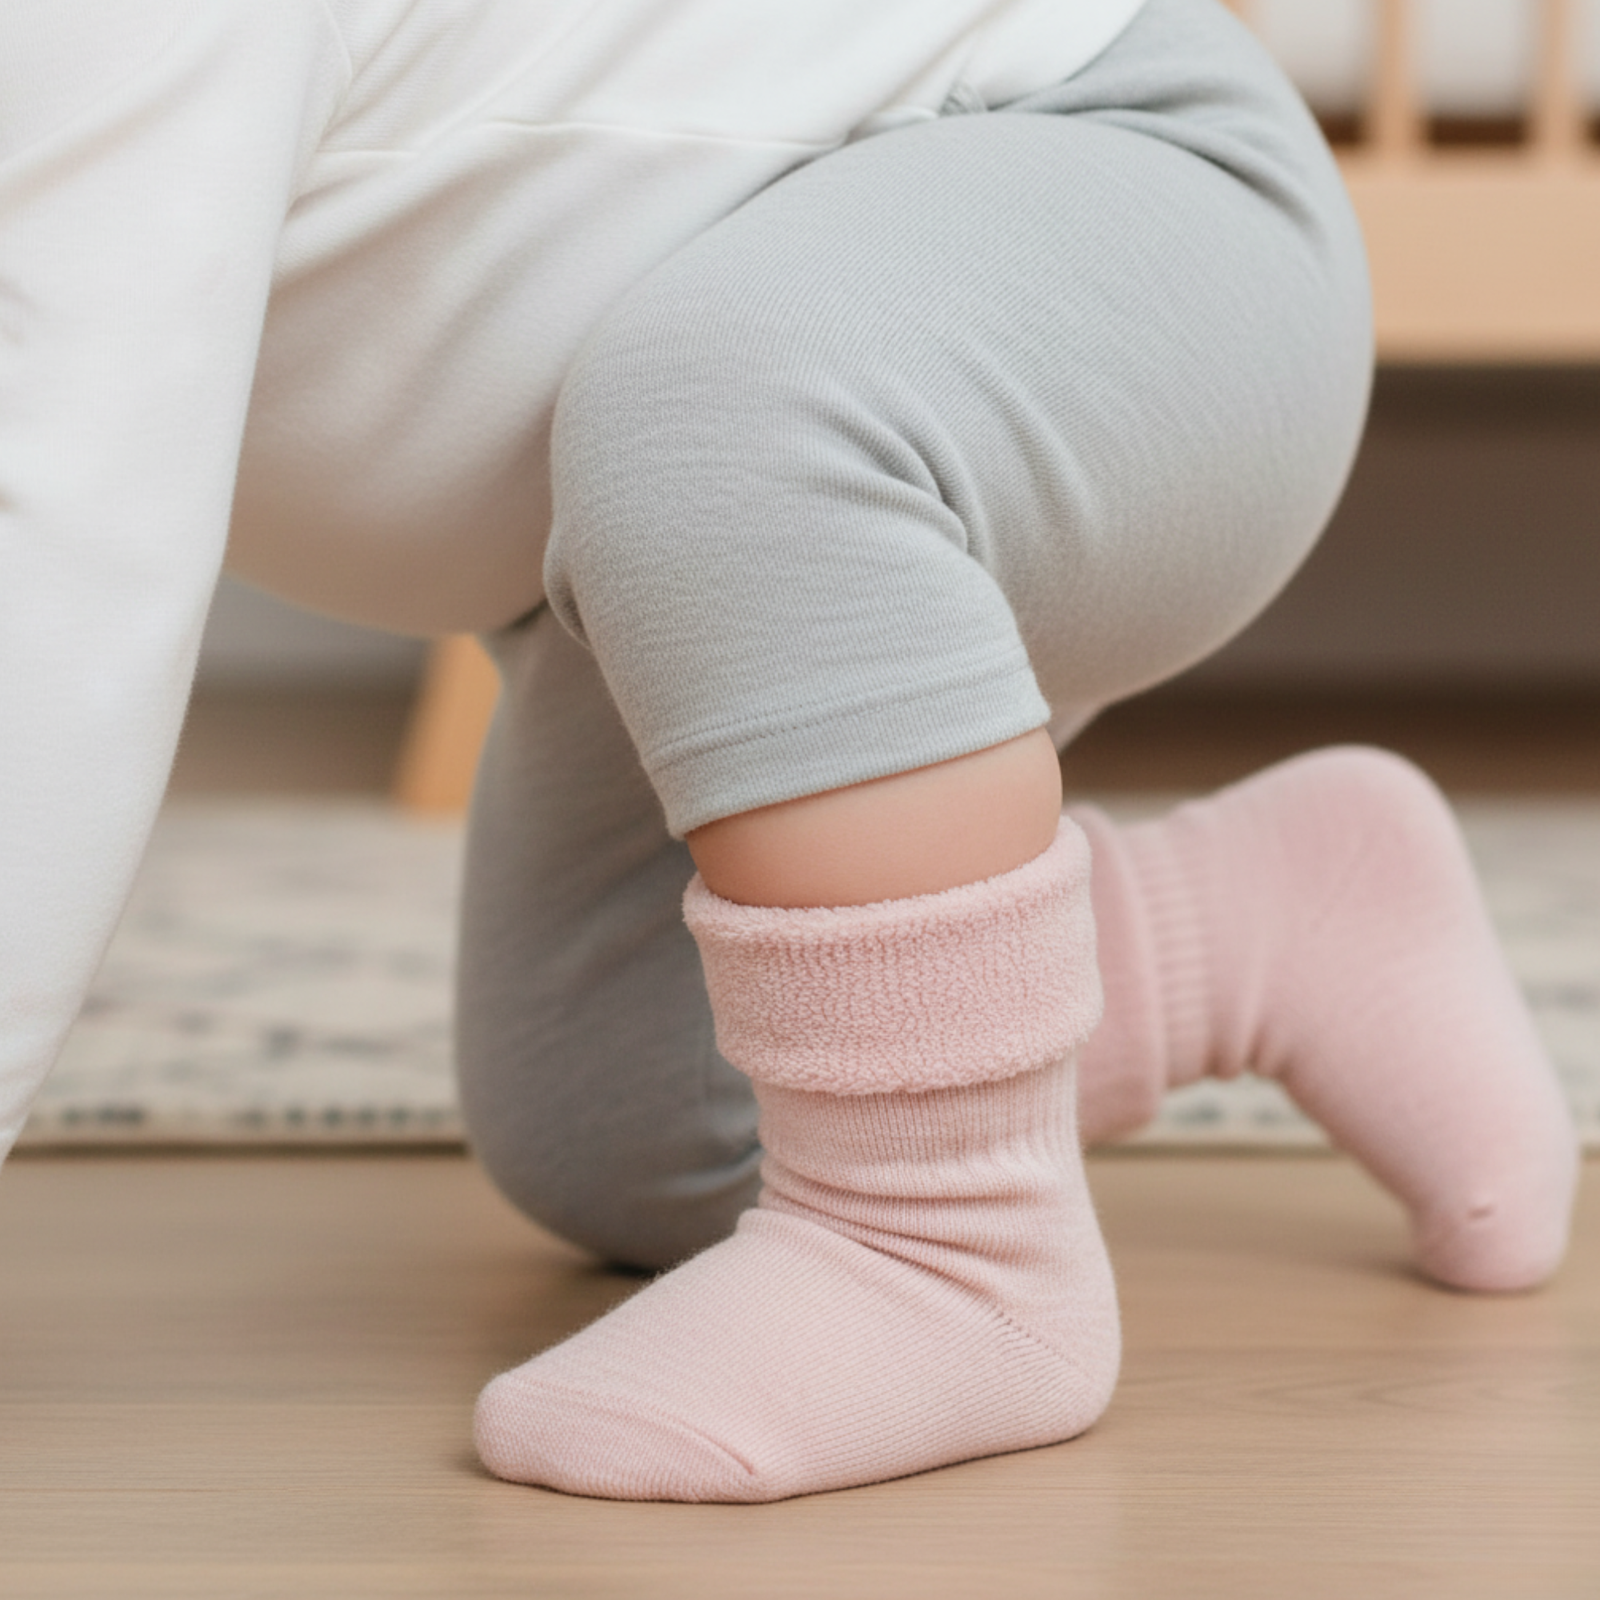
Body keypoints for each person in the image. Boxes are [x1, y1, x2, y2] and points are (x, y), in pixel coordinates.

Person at [0, 0, 1576, 1504]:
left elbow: (54, 587)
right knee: (636, 1124)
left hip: (1145, 216)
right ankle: (1250, 923)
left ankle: (944, 1250)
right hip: (671, 548)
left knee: (717, 404)